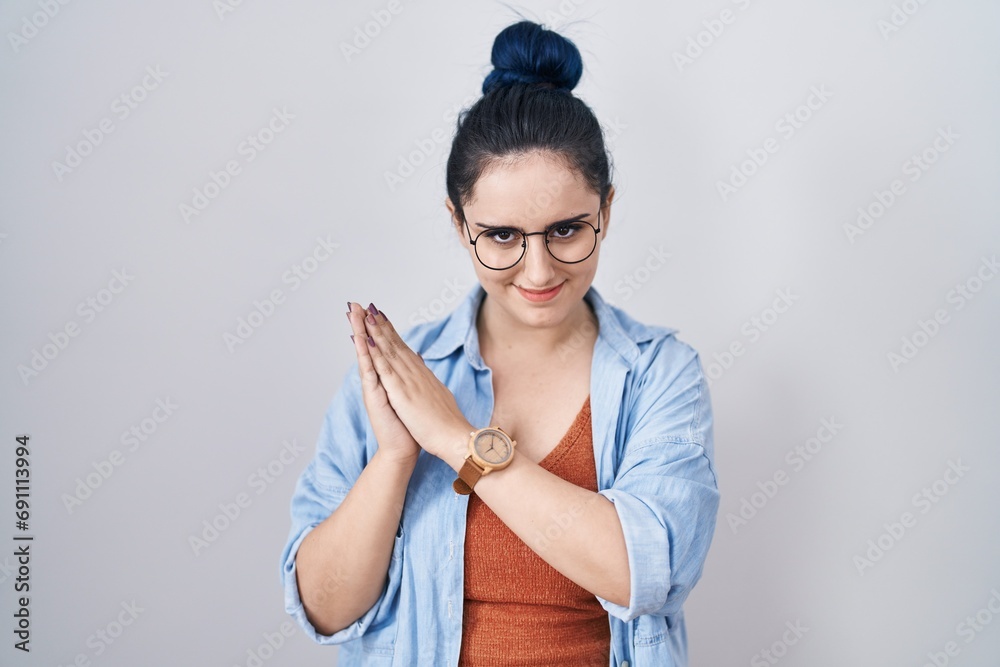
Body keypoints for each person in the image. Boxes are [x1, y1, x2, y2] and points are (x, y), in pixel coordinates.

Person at [279, 19, 720, 667]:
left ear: (607, 210)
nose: (538, 271)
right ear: (460, 225)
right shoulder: (399, 377)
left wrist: (459, 440)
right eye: (503, 236)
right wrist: (398, 455)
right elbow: (323, 607)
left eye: (567, 230)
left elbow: (643, 574)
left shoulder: (660, 374)